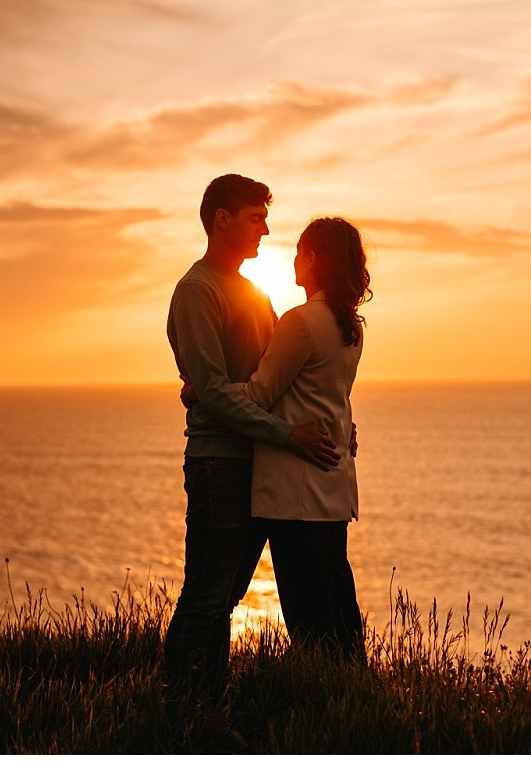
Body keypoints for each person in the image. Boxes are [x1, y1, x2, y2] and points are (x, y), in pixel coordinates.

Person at [163, 174, 340, 694]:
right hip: (220, 461)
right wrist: (287, 434)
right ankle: (180, 712)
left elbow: (274, 379)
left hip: (259, 463)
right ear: (222, 219)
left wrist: (334, 424)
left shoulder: (254, 293)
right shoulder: (196, 291)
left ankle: (205, 706)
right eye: (255, 218)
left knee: (226, 595)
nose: (265, 229)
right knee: (207, 595)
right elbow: (215, 391)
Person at [187, 217, 371, 662]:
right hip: (332, 490)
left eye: (298, 251)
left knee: (309, 622)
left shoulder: (301, 322)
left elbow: (260, 394)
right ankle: (353, 699)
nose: (291, 258)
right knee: (337, 614)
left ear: (312, 259)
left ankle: (322, 709)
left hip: (296, 494)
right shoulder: (350, 326)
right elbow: (327, 399)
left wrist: (202, 392)